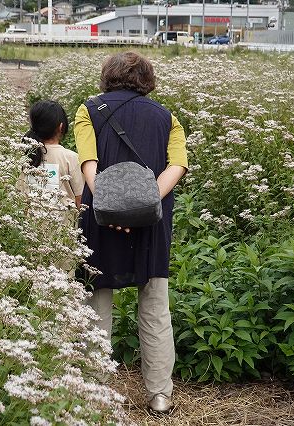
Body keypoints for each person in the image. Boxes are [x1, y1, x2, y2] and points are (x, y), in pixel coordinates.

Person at [74, 52, 188, 414]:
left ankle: (95, 388)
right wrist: (143, 202)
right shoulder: (167, 118)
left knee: (97, 302)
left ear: (107, 76)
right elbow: (178, 166)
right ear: (147, 80)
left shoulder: (87, 110)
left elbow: (88, 163)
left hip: (101, 221)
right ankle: (159, 395)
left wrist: (111, 203)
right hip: (150, 222)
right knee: (154, 306)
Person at [20, 100, 84, 212]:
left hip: (31, 225)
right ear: (61, 127)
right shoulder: (71, 158)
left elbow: (21, 196)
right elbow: (80, 199)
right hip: (63, 227)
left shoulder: (28, 156)